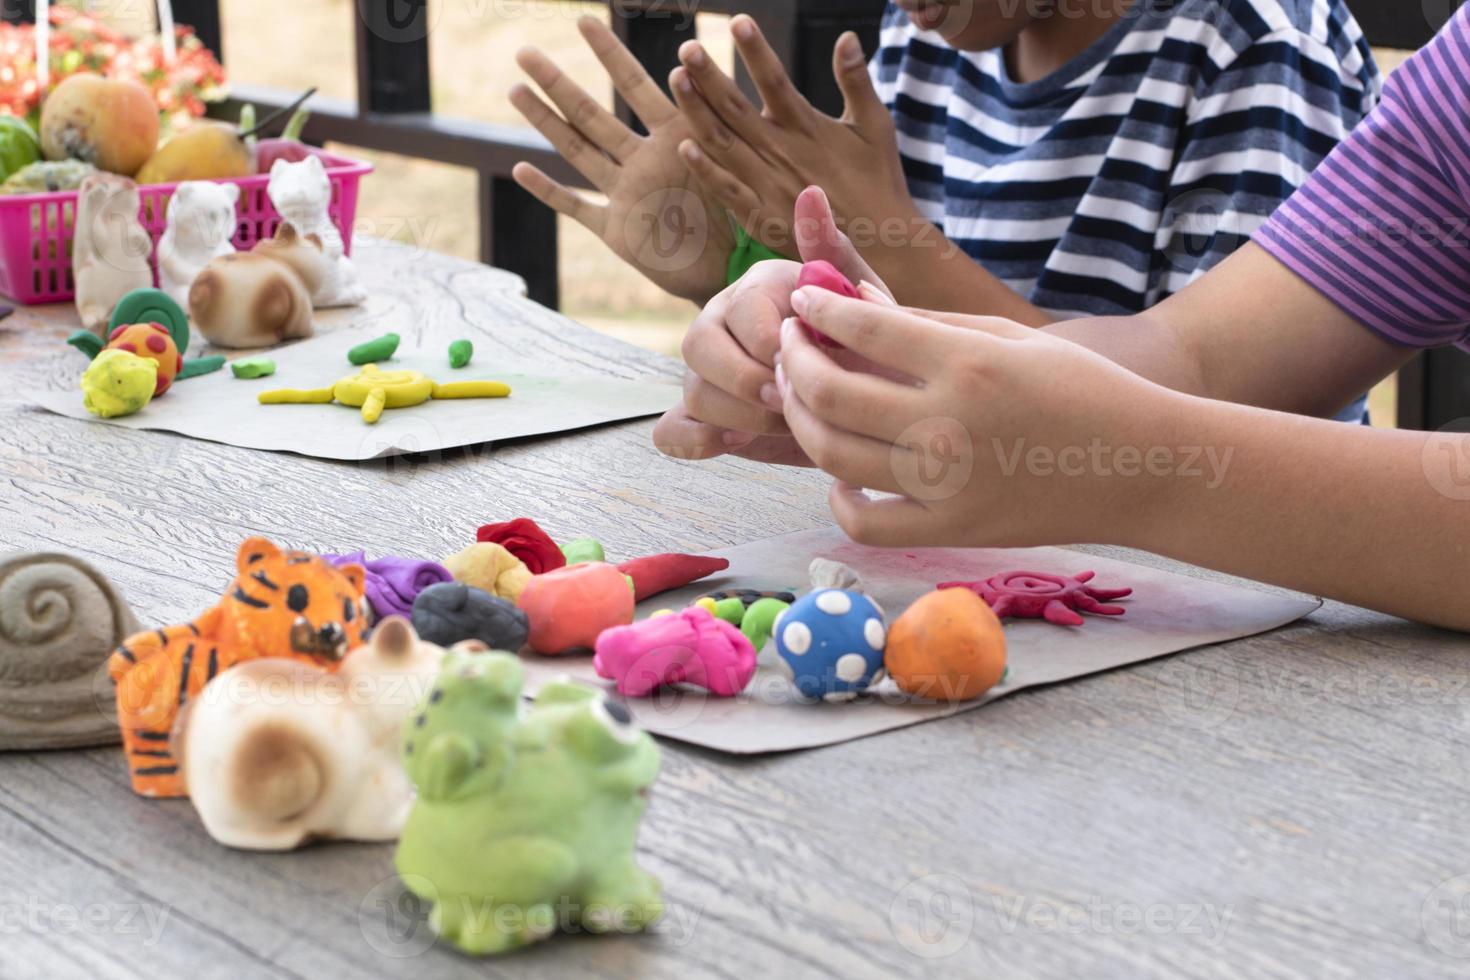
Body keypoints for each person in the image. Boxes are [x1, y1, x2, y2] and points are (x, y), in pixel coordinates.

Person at [655, 5, 1470, 632]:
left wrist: (1134, 467)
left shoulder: (1259, 38)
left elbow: (1197, 419)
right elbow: (1193, 356)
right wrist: (873, 364)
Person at [510, 2, 1379, 325]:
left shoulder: (1251, 46)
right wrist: (739, 268)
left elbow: (1222, 422)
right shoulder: (933, 38)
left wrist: (894, 247)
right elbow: (898, 329)